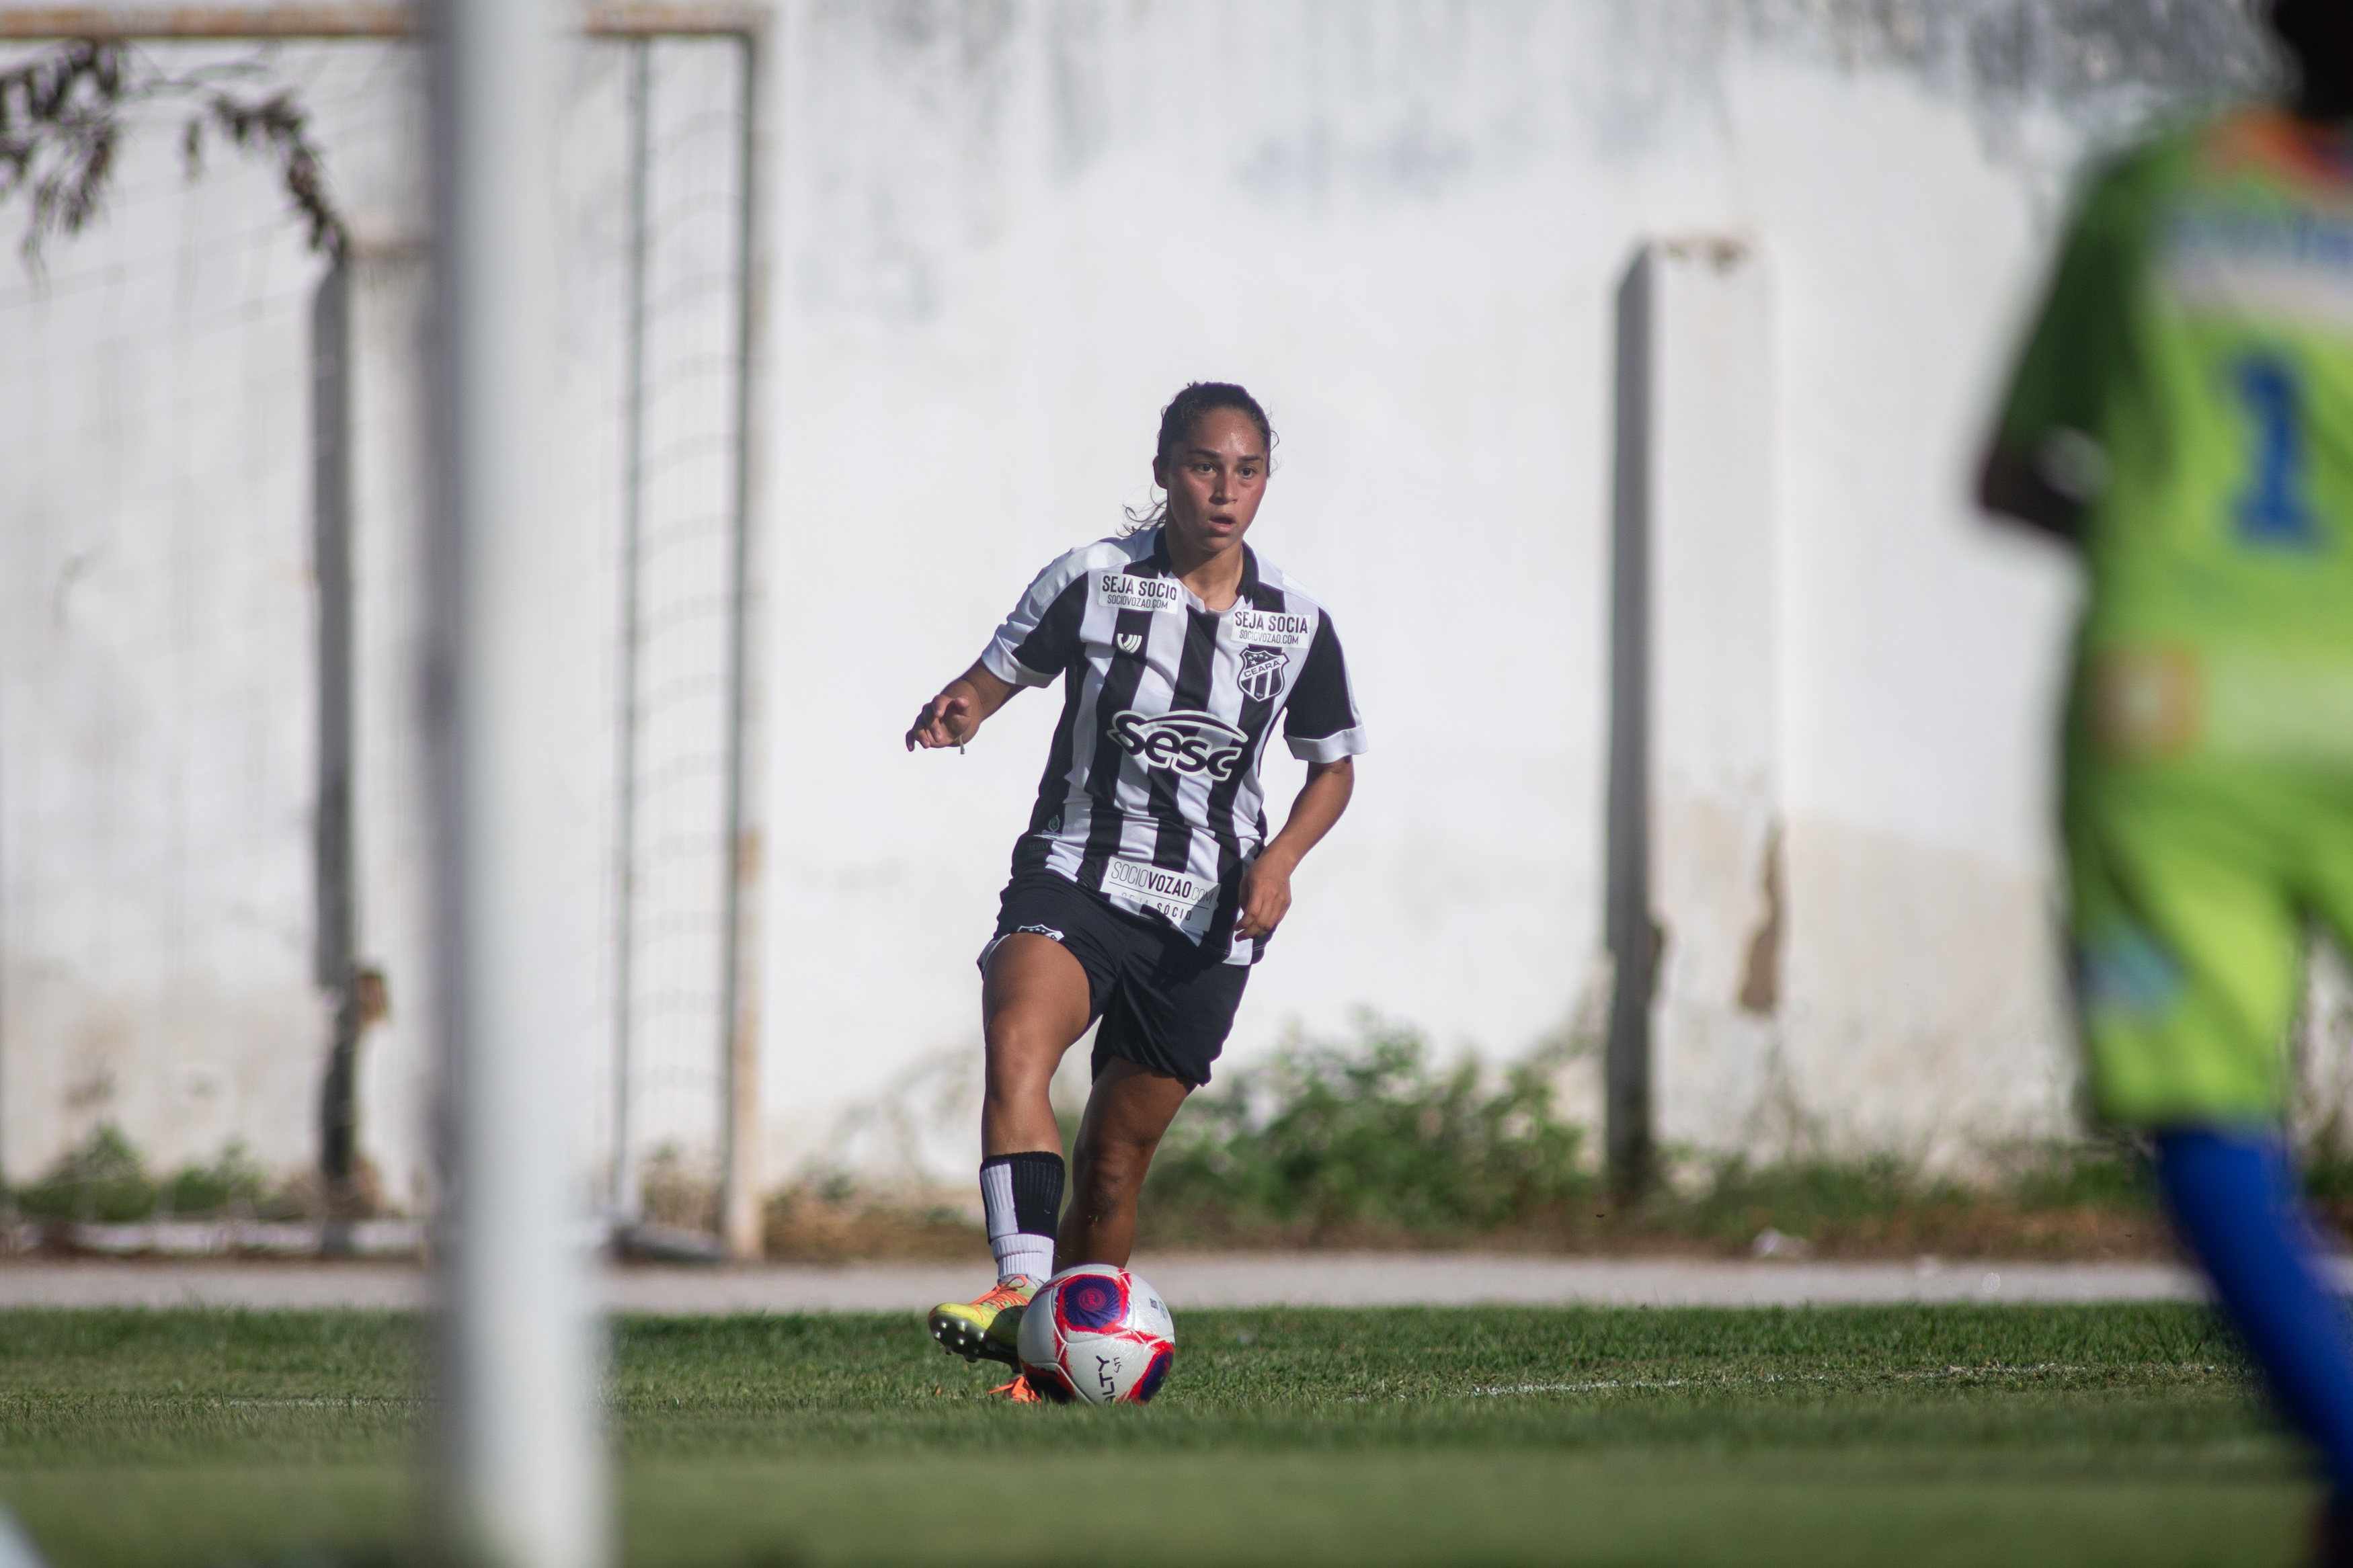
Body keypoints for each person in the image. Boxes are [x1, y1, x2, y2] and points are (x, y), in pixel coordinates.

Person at [1981, 3, 2353, 1557]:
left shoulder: (2150, 191)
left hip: (2171, 709)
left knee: (2207, 1116)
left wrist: (2167, 563)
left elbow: (2010, 471)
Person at [904, 382, 1367, 1398]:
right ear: (1163, 469)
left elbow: (1331, 765)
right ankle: (1017, 1286)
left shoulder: (1296, 622)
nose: (1225, 489)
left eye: (1247, 471)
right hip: (1078, 872)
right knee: (1020, 1033)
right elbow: (997, 674)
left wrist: (1279, 860)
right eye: (1206, 465)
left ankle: (1054, 1373)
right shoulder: (1094, 580)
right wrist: (964, 708)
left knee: (1114, 1162)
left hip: (1206, 919)